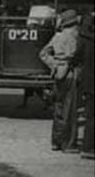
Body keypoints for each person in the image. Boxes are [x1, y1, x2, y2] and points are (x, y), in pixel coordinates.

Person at [39, 9, 81, 152]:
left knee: (59, 107)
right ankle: (68, 144)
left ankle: (56, 141)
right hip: (71, 73)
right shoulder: (76, 36)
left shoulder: (58, 36)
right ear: (75, 22)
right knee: (71, 110)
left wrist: (55, 65)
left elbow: (43, 53)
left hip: (58, 74)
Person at [79, 10, 94, 160]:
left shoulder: (85, 40)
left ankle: (88, 147)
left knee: (90, 117)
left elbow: (78, 57)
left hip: (89, 83)